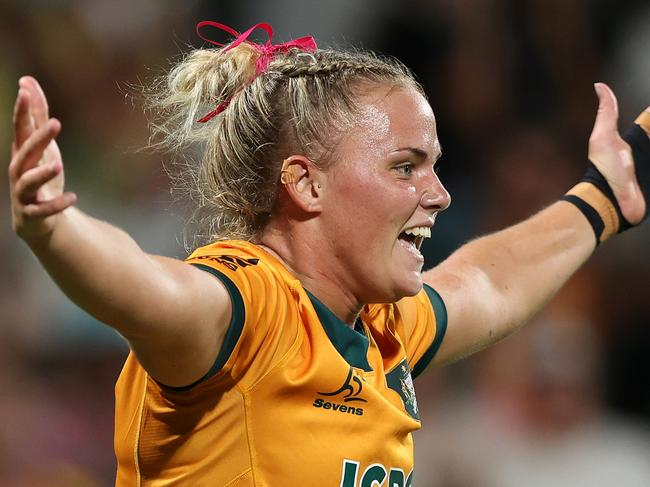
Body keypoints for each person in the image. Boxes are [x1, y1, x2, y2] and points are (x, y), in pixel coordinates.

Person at [8, 21, 650, 486]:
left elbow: (489, 283)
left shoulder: (382, 325)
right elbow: (145, 288)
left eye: (434, 167)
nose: (441, 195)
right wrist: (55, 230)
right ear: (306, 182)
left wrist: (603, 201)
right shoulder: (248, 312)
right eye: (406, 167)